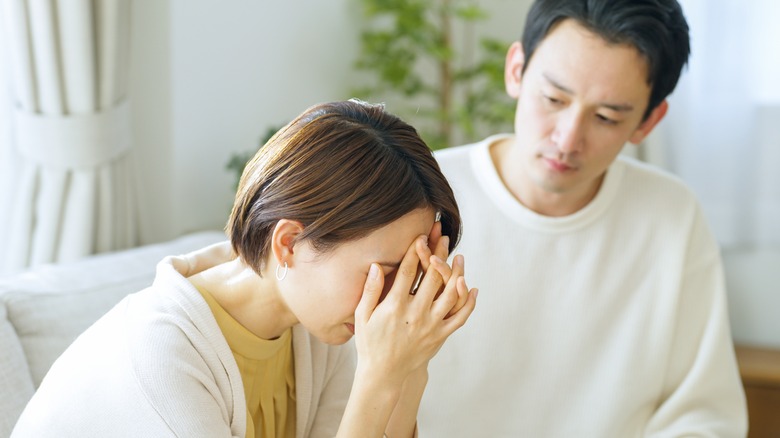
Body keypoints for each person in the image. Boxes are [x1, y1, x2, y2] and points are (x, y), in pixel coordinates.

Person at [12, 100, 477, 438]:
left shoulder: (315, 327)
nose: (394, 302)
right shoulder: (160, 359)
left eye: (410, 275)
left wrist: (409, 365)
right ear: (290, 243)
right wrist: (379, 375)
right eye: (386, 272)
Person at [417, 0, 748, 436]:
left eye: (607, 117)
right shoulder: (420, 199)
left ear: (648, 120)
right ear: (516, 69)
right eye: (553, 98)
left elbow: (704, 412)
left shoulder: (671, 217)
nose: (567, 139)